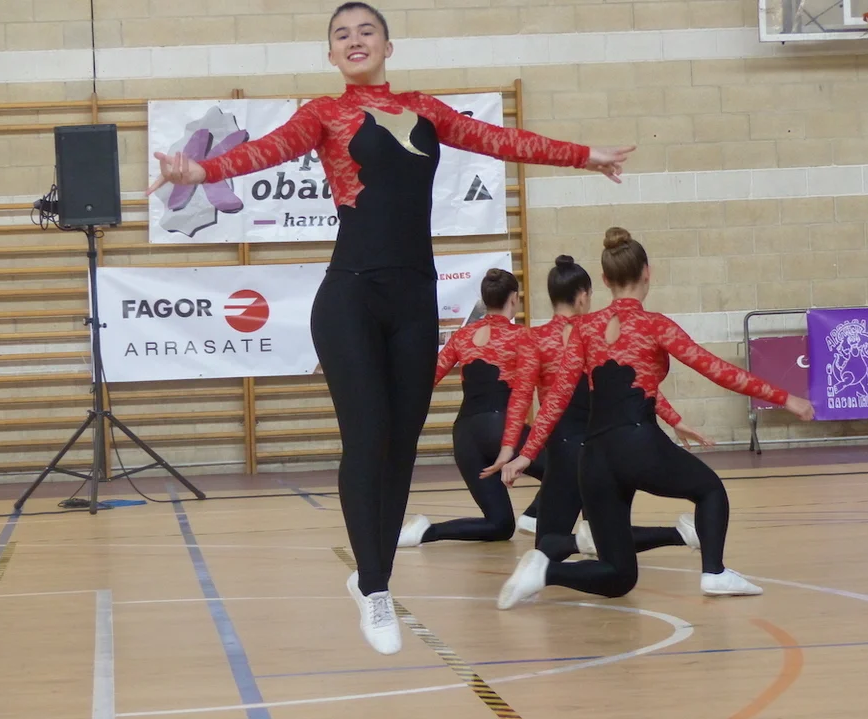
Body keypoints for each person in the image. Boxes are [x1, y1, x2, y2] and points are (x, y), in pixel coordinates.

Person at [145, 2, 636, 655]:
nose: (354, 40)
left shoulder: (425, 110)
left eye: (366, 31)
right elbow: (265, 150)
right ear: (331, 54)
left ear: (387, 45)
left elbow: (503, 141)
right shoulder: (324, 114)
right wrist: (200, 171)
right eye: (341, 34)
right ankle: (375, 588)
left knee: (401, 446)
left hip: (414, 300)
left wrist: (586, 156)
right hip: (350, 297)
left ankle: (372, 575)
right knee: (368, 436)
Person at [495, 227, 814, 610]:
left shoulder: (585, 328)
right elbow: (716, 370)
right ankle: (714, 572)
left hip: (594, 456)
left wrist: (526, 454)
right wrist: (785, 397)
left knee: (618, 576)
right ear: (648, 273)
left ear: (605, 279)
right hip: (636, 442)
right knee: (710, 490)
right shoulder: (655, 325)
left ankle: (544, 572)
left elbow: (556, 399)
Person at [482, 255, 704, 562]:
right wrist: (674, 419)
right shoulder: (594, 333)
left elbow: (521, 397)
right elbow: (634, 385)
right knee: (601, 537)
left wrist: (512, 450)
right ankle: (677, 534)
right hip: (599, 445)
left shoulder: (537, 338)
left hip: (564, 446)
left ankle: (667, 535)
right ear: (583, 296)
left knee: (551, 547)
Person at [397, 269, 546, 548]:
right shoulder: (522, 336)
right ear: (514, 298)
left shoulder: (462, 336)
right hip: (499, 427)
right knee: (567, 469)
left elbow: (426, 380)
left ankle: (426, 532)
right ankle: (534, 516)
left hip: (465, 436)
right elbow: (522, 396)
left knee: (500, 525)